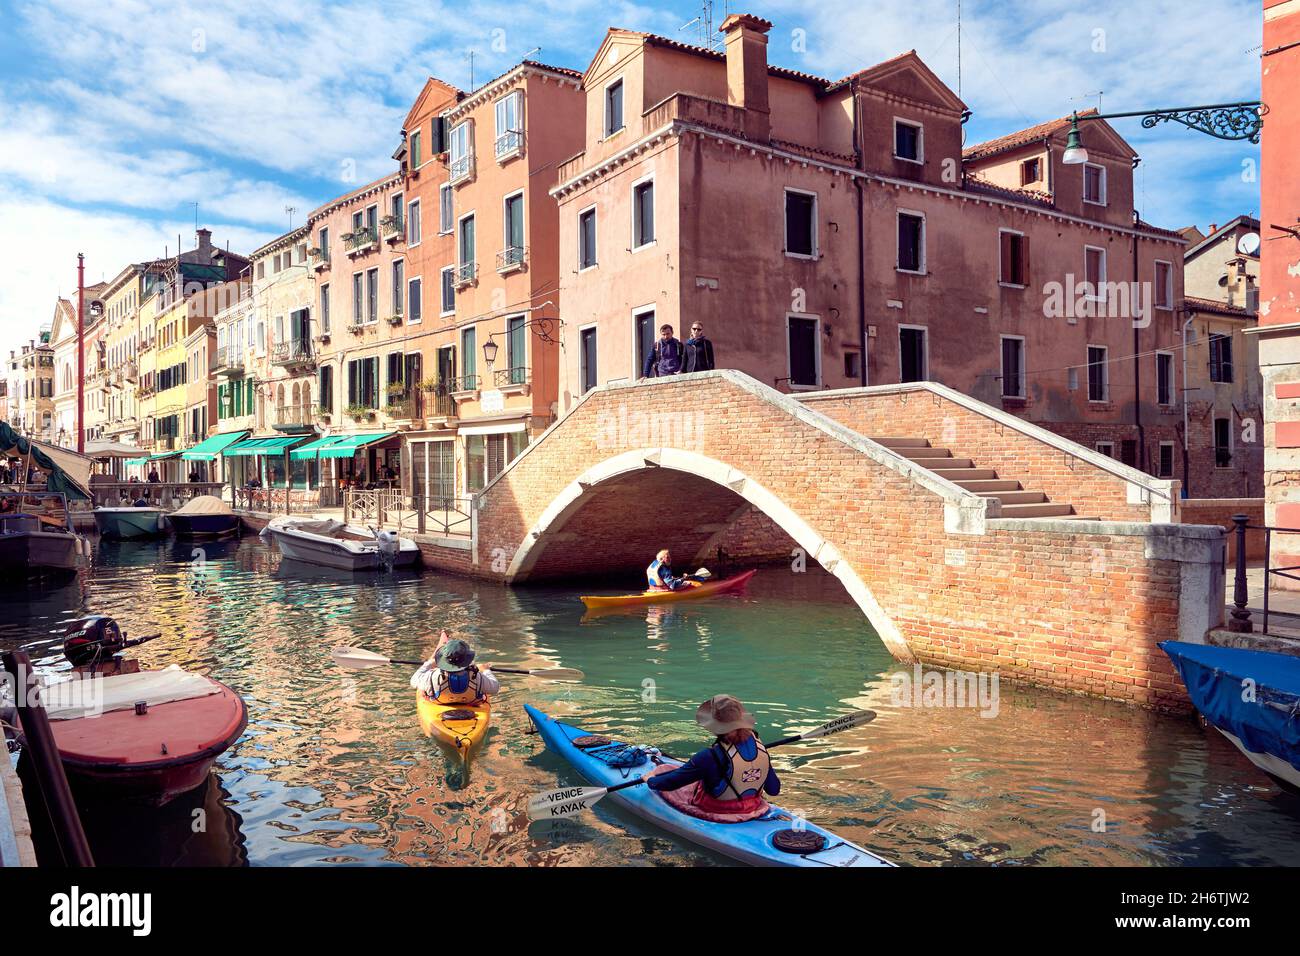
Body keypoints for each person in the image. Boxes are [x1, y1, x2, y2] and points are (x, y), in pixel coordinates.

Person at [645, 695, 780, 814]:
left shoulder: (708, 756)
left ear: (714, 726)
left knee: (667, 772)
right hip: (753, 806)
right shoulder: (759, 747)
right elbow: (774, 789)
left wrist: (651, 780)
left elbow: (670, 783)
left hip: (716, 808)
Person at [410, 630, 500, 704]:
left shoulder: (431, 677)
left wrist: (429, 663)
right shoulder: (477, 677)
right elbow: (495, 688)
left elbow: (413, 681)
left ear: (443, 661)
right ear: (467, 660)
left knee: (422, 689)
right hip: (471, 703)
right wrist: (486, 670)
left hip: (440, 702)